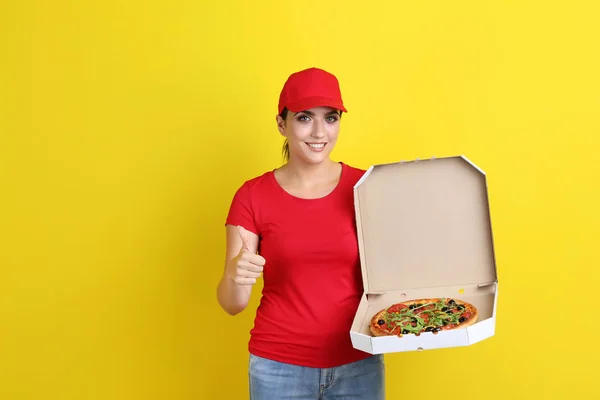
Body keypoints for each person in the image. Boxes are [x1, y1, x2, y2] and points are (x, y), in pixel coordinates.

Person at [216, 67, 385, 400]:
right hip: (278, 366)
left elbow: (394, 275)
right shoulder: (252, 196)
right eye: (305, 118)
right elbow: (233, 304)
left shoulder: (366, 187)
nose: (319, 132)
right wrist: (236, 276)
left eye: (331, 118)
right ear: (282, 124)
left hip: (358, 360)